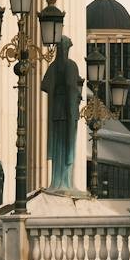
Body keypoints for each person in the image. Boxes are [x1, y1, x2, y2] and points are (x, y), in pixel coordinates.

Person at [40, 46, 83, 192]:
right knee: (67, 145)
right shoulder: (71, 65)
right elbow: (72, 87)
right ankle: (66, 182)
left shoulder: (53, 66)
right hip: (68, 110)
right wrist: (76, 91)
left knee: (59, 145)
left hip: (57, 110)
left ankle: (59, 181)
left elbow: (44, 84)